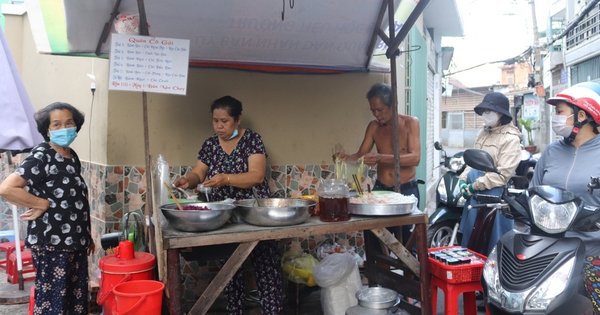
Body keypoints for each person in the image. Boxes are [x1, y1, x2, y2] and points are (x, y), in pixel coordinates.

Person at [174, 95, 282, 315]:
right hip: (225, 219)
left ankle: (272, 311)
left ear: (238, 119)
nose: (219, 126)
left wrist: (226, 178)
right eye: (215, 121)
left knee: (266, 268)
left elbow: (257, 176)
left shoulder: (252, 140)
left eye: (224, 121)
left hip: (254, 216)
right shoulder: (210, 144)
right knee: (230, 270)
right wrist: (189, 180)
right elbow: (198, 172)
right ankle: (235, 312)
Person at [0, 102, 94, 315]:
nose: (64, 128)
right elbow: (7, 188)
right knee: (54, 303)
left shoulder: (72, 155)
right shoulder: (42, 155)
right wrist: (41, 203)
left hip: (75, 242)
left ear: (76, 126)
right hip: (52, 243)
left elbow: (75, 199)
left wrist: (87, 237)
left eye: (69, 123)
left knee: (75, 301)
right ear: (47, 131)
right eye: (57, 124)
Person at [530, 82, 600, 313]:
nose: (556, 118)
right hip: (550, 250)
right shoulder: (551, 152)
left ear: (582, 114)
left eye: (560, 112)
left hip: (593, 254)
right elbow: (534, 193)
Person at [332, 83, 421, 243]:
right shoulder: (373, 126)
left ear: (393, 105)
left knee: (407, 245)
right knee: (376, 242)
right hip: (380, 190)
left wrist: (380, 157)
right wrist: (344, 158)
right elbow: (361, 156)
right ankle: (379, 267)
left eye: (380, 110)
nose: (376, 115)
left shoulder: (410, 123)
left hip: (406, 189)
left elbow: (415, 158)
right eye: (373, 110)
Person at [458, 92, 522, 255]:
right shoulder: (482, 134)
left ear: (500, 113)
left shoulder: (511, 138)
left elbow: (502, 174)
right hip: (475, 194)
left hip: (494, 196)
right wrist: (464, 180)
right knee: (471, 240)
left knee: (493, 243)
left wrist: (475, 186)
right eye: (483, 111)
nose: (484, 115)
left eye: (488, 111)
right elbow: (472, 161)